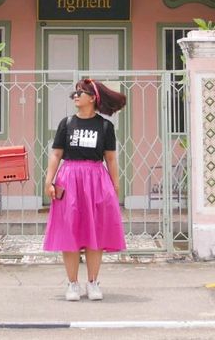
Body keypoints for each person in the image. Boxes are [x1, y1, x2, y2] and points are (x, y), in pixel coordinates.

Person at [43, 77, 127, 302]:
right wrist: (49, 180)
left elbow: (110, 158)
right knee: (69, 231)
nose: (76, 96)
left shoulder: (105, 126)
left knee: (95, 233)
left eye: (80, 92)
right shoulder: (67, 123)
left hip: (96, 181)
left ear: (93, 98)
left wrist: (114, 185)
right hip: (69, 180)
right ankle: (72, 284)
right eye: (75, 93)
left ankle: (92, 282)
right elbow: (56, 154)